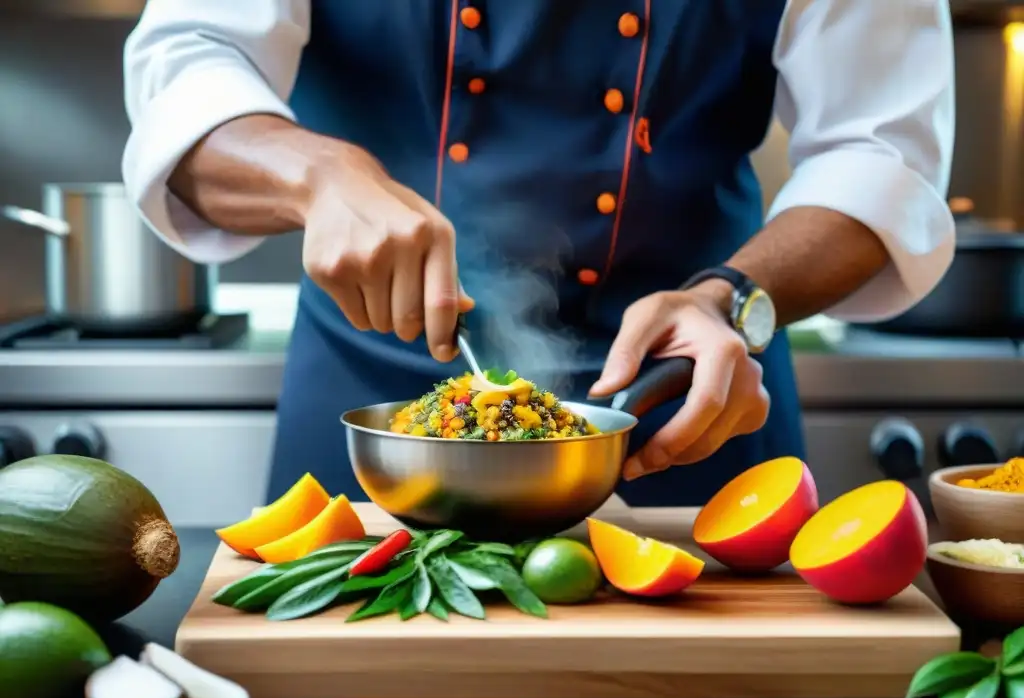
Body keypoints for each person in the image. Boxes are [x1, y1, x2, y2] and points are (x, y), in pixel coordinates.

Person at [122, 2, 955, 507]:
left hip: (693, 397)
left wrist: (729, 298)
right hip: (375, 412)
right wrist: (320, 174)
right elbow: (187, 68)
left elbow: (883, 155)